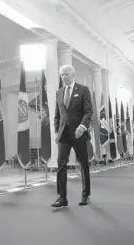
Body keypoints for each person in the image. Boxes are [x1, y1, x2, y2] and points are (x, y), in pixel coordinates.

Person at [51, 65, 93, 208]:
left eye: (66, 74)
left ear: (73, 74)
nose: (64, 77)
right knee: (61, 164)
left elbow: (88, 112)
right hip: (64, 135)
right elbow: (57, 115)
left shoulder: (83, 90)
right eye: (62, 75)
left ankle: (85, 194)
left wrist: (82, 126)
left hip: (79, 133)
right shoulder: (59, 92)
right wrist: (57, 130)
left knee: (83, 164)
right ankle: (62, 197)